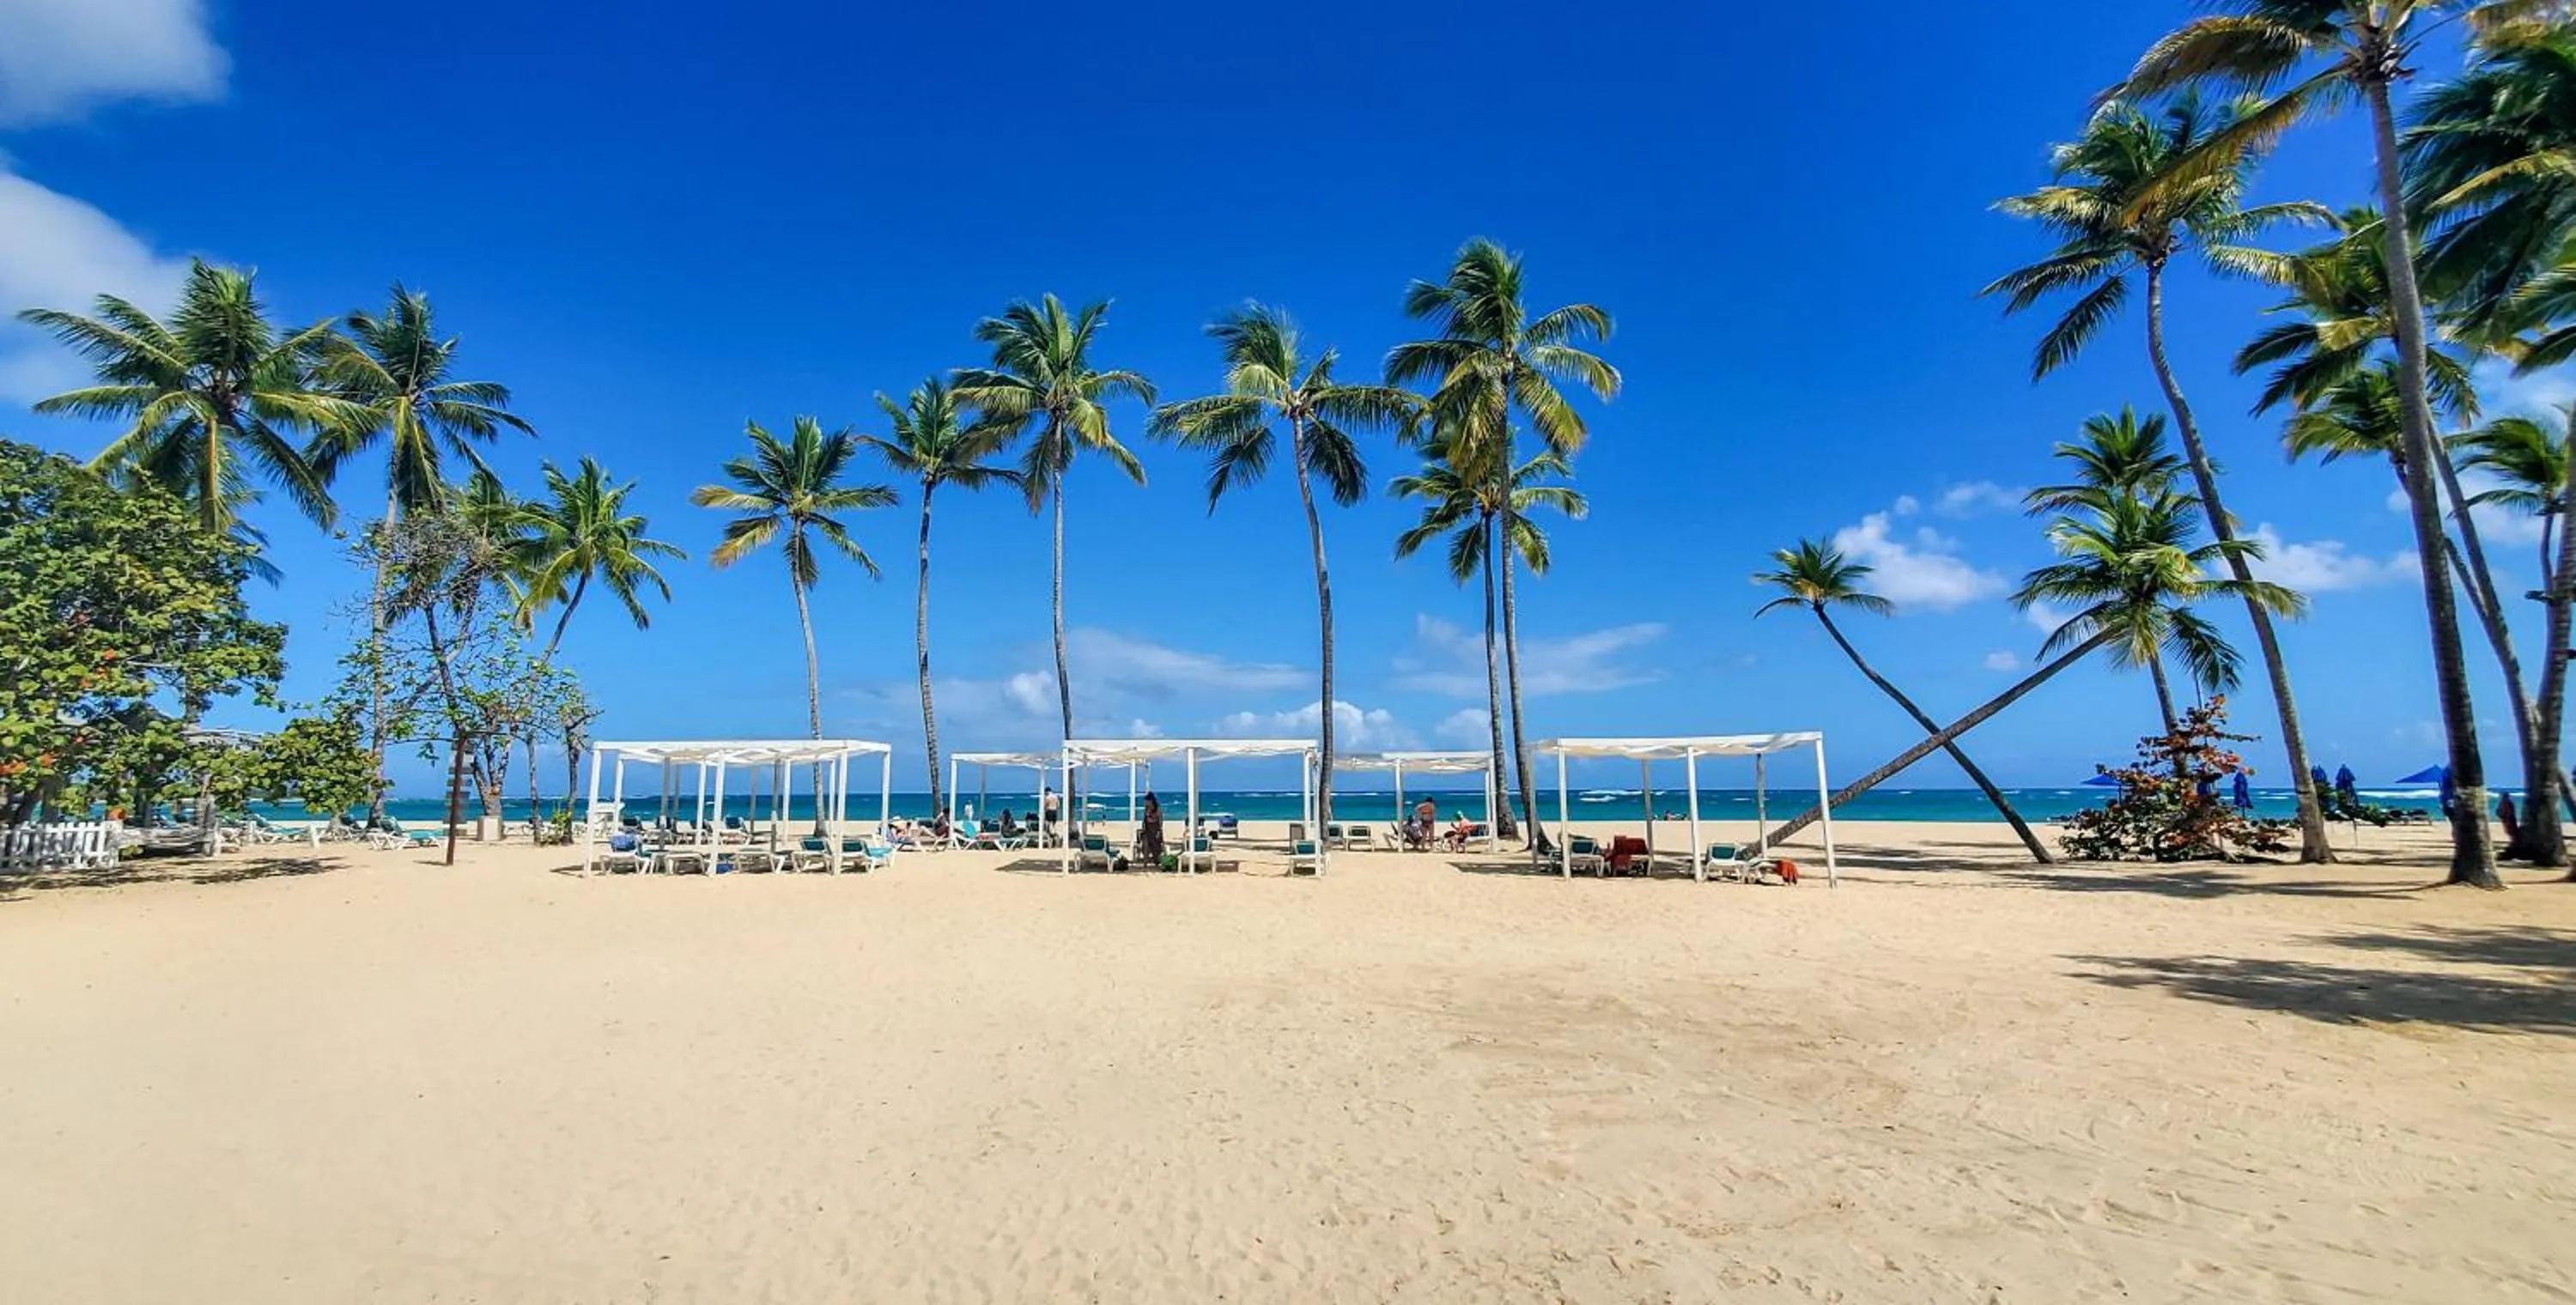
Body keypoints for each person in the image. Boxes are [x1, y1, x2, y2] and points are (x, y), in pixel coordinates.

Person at [1138, 792, 1165, 867]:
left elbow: (1160, 820)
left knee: (1156, 847)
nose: (1145, 802)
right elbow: (1144, 820)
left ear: (1151, 801)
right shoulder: (1146, 809)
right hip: (1147, 829)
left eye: (1146, 801)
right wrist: (1143, 828)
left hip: (1155, 829)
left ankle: (1157, 861)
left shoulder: (1157, 808)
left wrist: (1159, 830)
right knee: (1145, 845)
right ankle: (1145, 863)